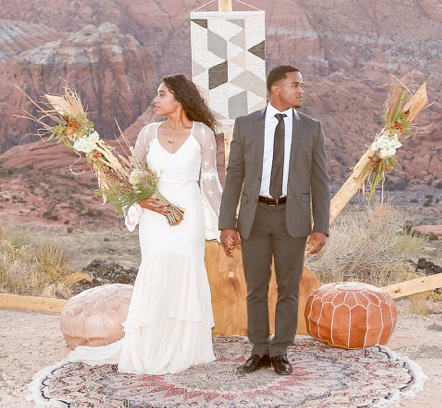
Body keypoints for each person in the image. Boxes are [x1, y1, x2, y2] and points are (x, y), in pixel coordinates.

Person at [70, 76, 223, 375]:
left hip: (189, 215)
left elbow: (210, 182)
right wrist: (141, 202)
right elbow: (130, 176)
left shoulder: (203, 134)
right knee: (156, 271)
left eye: (161, 94)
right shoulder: (148, 133)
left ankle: (185, 348)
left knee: (186, 272)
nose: (155, 99)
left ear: (179, 99)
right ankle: (150, 347)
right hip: (154, 215)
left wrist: (229, 222)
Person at [219, 64, 330, 375]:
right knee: (255, 287)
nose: (301, 90)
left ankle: (280, 350)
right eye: (295, 85)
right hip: (254, 218)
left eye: (301, 85)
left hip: (292, 219)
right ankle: (258, 349)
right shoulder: (246, 125)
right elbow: (234, 177)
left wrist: (321, 226)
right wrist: (227, 222)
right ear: (276, 89)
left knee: (288, 287)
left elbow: (320, 181)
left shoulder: (311, 128)